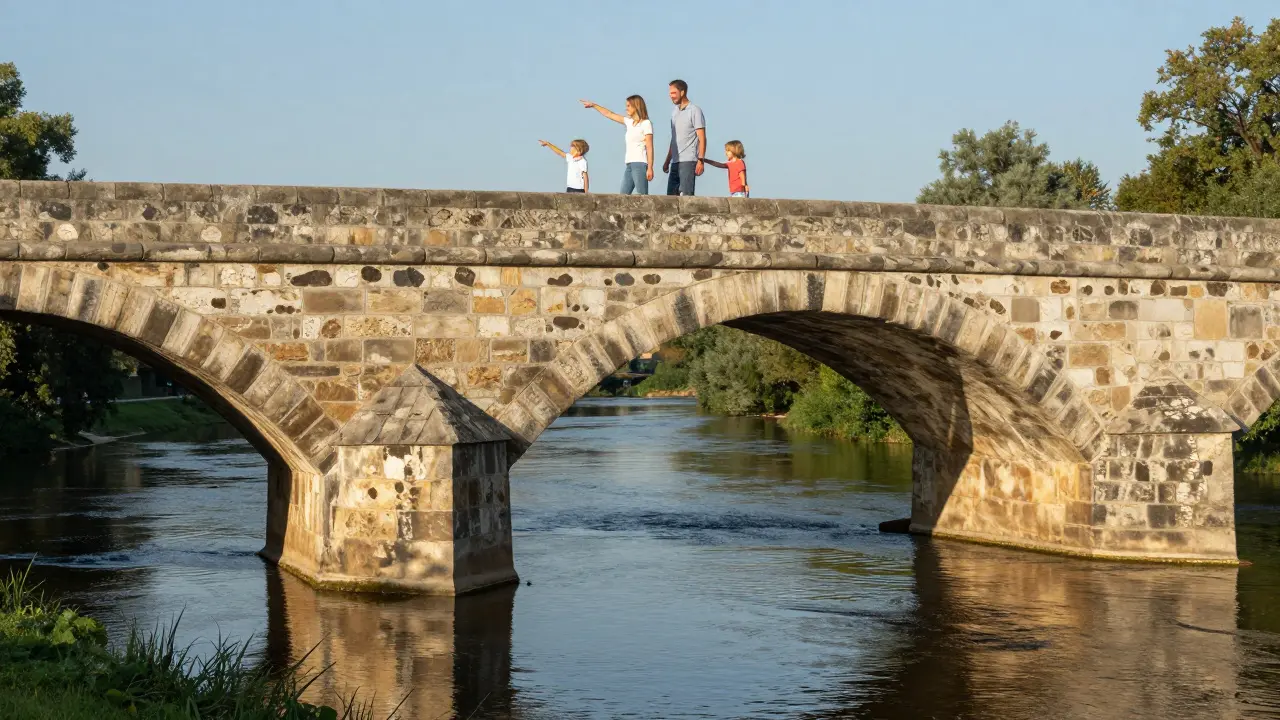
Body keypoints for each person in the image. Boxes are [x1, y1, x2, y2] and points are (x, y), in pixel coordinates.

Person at [580, 96, 654, 194]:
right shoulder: (629, 122)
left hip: (640, 164)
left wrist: (650, 167)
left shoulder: (646, 123)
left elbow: (649, 147)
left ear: (636, 106)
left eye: (629, 106)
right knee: (622, 196)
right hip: (629, 164)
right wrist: (594, 105)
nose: (626, 108)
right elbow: (609, 114)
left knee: (643, 195)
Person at [661, 79, 706, 196]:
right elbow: (674, 139)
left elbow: (702, 138)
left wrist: (701, 160)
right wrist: (667, 160)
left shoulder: (695, 110)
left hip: (688, 161)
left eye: (673, 93)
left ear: (682, 92)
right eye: (670, 93)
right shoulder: (674, 112)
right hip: (675, 162)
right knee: (670, 198)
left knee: (686, 197)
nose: (671, 96)